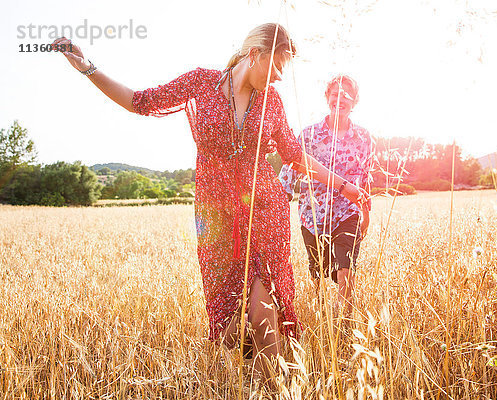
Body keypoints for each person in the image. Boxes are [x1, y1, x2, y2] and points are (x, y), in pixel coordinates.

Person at [52, 24, 367, 382]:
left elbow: (294, 155)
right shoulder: (201, 83)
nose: (279, 77)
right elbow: (139, 101)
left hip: (264, 213)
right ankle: (258, 376)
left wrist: (344, 186)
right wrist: (88, 68)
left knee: (264, 315)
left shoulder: (271, 102)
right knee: (231, 327)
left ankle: (278, 387)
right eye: (277, 66)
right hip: (214, 217)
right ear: (255, 54)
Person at [279, 74, 374, 322]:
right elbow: (291, 170)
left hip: (348, 213)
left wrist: (365, 216)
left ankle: (343, 323)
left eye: (346, 95)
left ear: (355, 102)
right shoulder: (309, 135)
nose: (339, 99)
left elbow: (365, 178)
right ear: (327, 98)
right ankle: (320, 317)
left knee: (346, 268)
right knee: (318, 271)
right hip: (314, 215)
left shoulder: (364, 138)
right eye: (335, 94)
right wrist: (277, 201)